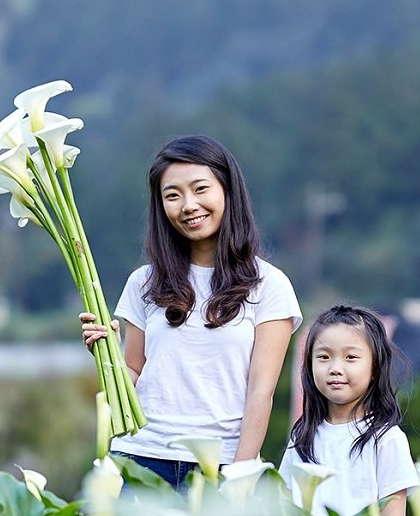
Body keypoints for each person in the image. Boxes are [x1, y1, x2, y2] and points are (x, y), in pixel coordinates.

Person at [81, 135, 300, 487]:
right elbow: (133, 374)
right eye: (172, 195)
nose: (188, 205)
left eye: (200, 189)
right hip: (140, 458)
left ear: (228, 191)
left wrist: (240, 475)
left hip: (219, 464)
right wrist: (105, 351)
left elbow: (261, 390)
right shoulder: (143, 282)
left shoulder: (269, 285)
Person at [281, 304, 419, 516]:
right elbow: (285, 508)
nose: (335, 368)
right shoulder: (301, 438)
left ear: (376, 368)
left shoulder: (386, 439)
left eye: (350, 357)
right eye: (324, 357)